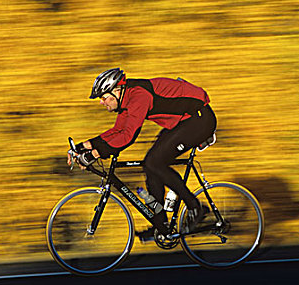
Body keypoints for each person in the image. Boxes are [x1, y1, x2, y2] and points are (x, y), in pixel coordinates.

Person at [67, 68, 217, 240]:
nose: (102, 102)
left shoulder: (139, 96)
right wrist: (83, 146)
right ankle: (161, 225)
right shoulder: (126, 98)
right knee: (150, 165)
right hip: (182, 121)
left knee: (155, 162)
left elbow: (128, 136)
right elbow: (118, 130)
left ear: (116, 91)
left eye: (103, 97)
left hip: (199, 120)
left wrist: (95, 154)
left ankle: (195, 207)